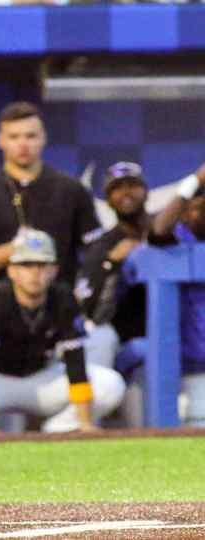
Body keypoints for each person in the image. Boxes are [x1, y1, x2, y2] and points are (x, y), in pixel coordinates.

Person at [0, 229, 125, 435]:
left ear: (54, 270)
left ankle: (59, 431)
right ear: (11, 270)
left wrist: (85, 421)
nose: (34, 273)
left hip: (42, 380)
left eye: (42, 265)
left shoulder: (63, 297)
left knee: (110, 383)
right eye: (26, 265)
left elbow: (75, 359)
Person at [0, 101, 103, 299]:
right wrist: (14, 250)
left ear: (43, 138)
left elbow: (97, 251)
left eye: (31, 136)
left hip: (62, 309)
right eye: (14, 137)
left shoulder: (72, 190)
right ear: (0, 140)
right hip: (0, 312)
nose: (23, 144)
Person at [74, 162, 151, 425]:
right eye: (117, 189)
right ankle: (91, 422)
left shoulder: (165, 234)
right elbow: (90, 310)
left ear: (146, 191)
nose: (126, 193)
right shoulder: (103, 246)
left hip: (173, 335)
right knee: (99, 336)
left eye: (133, 186)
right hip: (122, 341)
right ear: (108, 199)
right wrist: (112, 264)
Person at [144, 165, 205, 427]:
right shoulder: (177, 239)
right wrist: (195, 180)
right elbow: (158, 229)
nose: (200, 212)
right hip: (191, 365)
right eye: (195, 206)